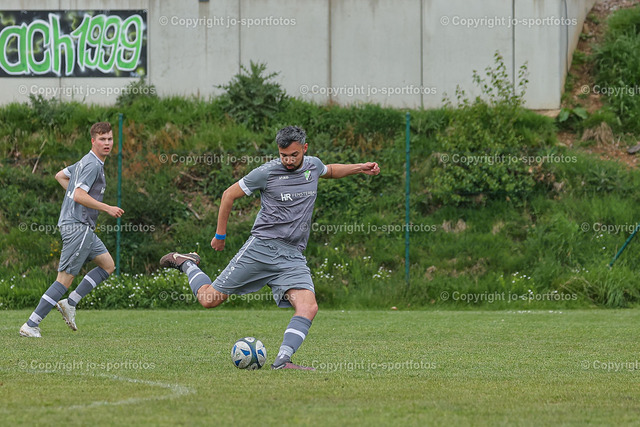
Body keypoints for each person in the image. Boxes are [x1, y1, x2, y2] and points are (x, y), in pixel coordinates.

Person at [161, 125, 380, 369]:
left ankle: (283, 360)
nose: (288, 160)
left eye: (294, 155)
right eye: (283, 155)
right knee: (208, 299)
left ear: (305, 149)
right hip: (262, 248)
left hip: (293, 255)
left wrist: (360, 168)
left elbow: (330, 170)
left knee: (308, 306)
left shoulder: (313, 166)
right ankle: (187, 263)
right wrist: (220, 235)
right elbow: (228, 195)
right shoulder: (266, 173)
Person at [19, 122, 125, 337]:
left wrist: (76, 196)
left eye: (110, 139)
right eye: (102, 139)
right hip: (78, 226)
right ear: (93, 141)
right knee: (64, 279)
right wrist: (107, 208)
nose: (107, 143)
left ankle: (70, 302)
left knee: (107, 265)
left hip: (80, 227)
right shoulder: (92, 165)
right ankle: (30, 325)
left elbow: (60, 175)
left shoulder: (84, 162)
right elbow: (78, 195)